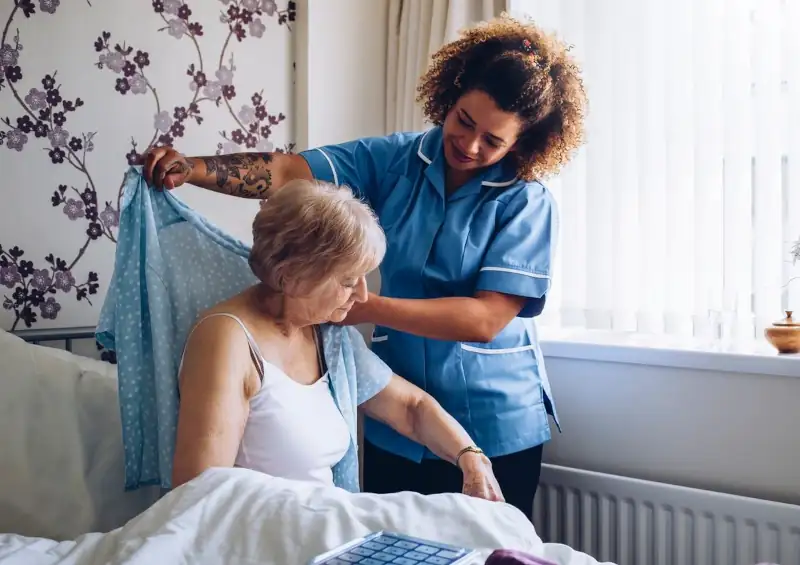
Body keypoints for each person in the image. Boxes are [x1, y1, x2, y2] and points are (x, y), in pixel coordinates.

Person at [144, 14, 587, 516]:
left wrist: (355, 305)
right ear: (450, 96)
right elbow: (289, 172)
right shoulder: (394, 160)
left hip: (494, 422)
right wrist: (194, 169)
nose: (470, 145)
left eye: (493, 140)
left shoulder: (527, 202)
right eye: (464, 121)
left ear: (522, 143)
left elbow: (484, 320)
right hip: (396, 422)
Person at [171, 178, 503, 503]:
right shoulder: (227, 340)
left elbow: (410, 407)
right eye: (348, 281)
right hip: (264, 532)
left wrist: (470, 456)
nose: (362, 295)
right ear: (291, 277)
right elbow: (199, 495)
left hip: (323, 523)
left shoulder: (328, 336)